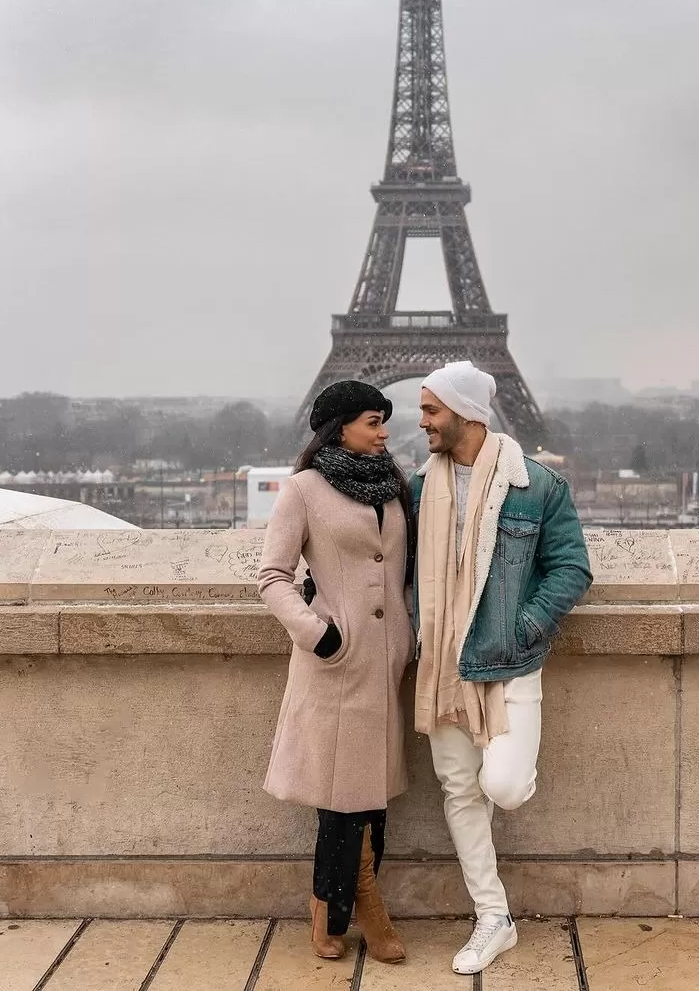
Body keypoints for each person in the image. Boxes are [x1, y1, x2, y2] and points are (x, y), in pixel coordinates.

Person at [411, 360, 592, 975]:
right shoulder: (417, 487)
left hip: (510, 662)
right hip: (442, 663)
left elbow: (572, 567)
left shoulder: (535, 485)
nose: (423, 421)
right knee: (460, 790)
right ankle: (494, 917)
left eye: (431, 410)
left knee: (503, 788)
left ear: (465, 413)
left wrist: (525, 626)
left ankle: (494, 907)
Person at [258, 380, 414, 964]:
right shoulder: (302, 490)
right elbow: (272, 575)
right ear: (340, 425)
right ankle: (356, 902)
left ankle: (334, 903)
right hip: (337, 664)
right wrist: (318, 633)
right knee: (343, 798)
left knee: (370, 796)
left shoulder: (393, 487)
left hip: (387, 660)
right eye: (374, 421)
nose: (384, 432)